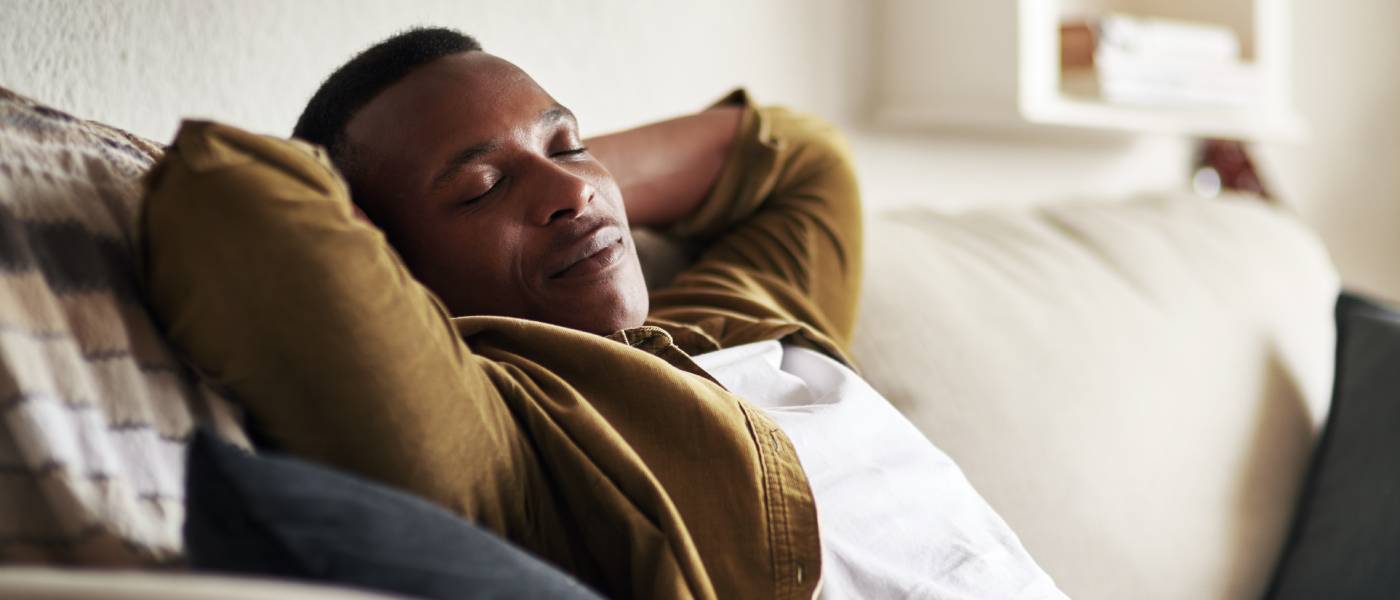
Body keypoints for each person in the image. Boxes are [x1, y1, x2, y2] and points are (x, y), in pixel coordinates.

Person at [147, 27, 1065, 599]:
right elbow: (229, 199)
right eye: (476, 189)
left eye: (570, 142)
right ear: (392, 268)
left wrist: (551, 180)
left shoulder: (733, 312)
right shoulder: (507, 439)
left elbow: (803, 159)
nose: (576, 193)